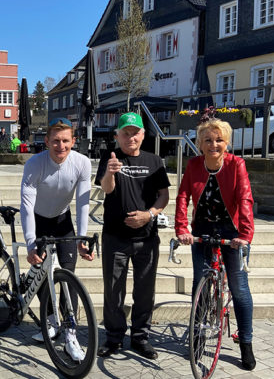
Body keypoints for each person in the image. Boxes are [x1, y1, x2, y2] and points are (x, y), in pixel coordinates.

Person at [175, 110, 256, 371]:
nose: (213, 145)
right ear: (199, 143)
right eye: (207, 140)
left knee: (239, 287)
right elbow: (183, 196)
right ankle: (198, 334)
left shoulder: (236, 165)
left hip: (231, 231)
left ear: (227, 142)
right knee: (200, 281)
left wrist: (245, 235)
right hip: (202, 229)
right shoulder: (194, 165)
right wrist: (181, 228)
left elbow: (245, 199)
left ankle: (246, 342)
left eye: (219, 140)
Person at [94, 112, 170, 360]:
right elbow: (106, 189)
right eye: (125, 133)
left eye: (135, 132)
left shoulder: (154, 160)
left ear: (142, 135)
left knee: (145, 291)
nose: (130, 137)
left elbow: (163, 196)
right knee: (113, 291)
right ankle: (114, 337)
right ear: (117, 135)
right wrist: (110, 173)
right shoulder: (110, 157)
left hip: (146, 237)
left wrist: (149, 214)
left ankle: (141, 337)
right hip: (115, 236)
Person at [20, 117, 93, 360]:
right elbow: (27, 206)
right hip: (39, 221)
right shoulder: (34, 164)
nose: (60, 146)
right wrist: (31, 242)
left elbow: (83, 202)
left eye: (65, 141)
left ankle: (70, 333)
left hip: (63, 222)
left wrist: (82, 238)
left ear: (73, 141)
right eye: (55, 141)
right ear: (47, 141)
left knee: (68, 276)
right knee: (42, 272)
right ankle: (50, 321)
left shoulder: (82, 163)